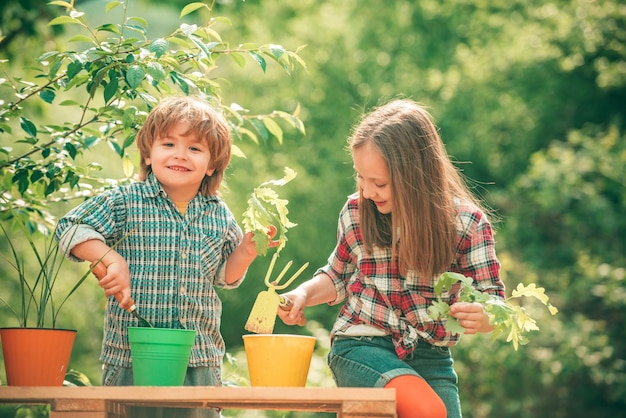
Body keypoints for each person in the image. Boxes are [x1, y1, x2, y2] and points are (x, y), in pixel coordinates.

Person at [277, 99, 505, 418]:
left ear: (416, 175)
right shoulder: (357, 212)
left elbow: (495, 304)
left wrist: (482, 317)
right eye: (361, 179)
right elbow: (337, 276)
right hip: (362, 346)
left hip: (431, 355)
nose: (368, 191)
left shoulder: (467, 224)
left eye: (379, 182)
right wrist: (302, 293)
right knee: (428, 411)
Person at [55, 96, 276, 418]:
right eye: (169, 143)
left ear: (212, 164)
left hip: (198, 360)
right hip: (131, 358)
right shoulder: (125, 201)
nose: (179, 155)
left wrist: (245, 252)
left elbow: (225, 278)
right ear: (148, 153)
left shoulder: (218, 214)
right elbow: (70, 226)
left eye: (195, 149)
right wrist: (109, 257)